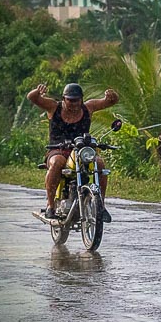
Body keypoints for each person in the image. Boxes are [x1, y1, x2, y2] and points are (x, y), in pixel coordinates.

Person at [27, 82, 119, 220]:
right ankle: (50, 206)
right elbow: (32, 98)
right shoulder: (53, 107)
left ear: (81, 99)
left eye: (76, 100)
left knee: (99, 163)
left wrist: (111, 95)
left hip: (81, 149)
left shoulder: (89, 107)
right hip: (57, 149)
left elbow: (110, 101)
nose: (74, 104)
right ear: (64, 99)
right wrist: (37, 92)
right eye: (70, 100)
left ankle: (101, 205)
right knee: (57, 162)